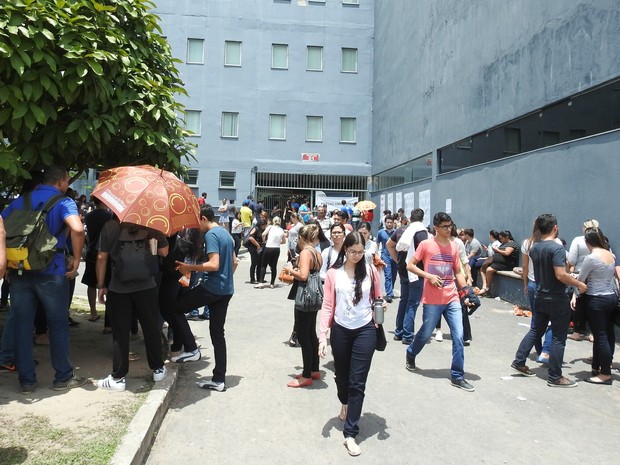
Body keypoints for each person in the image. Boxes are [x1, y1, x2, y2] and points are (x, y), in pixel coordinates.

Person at [1, 166, 87, 394]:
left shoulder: (20, 201)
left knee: (22, 323)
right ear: (60, 181)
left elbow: (1, 228)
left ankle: (26, 381)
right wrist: (77, 260)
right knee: (57, 324)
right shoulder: (63, 202)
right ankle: (63, 377)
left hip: (20, 271)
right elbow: (77, 229)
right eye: (67, 181)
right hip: (52, 271)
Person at [318, 231, 383, 457]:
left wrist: (381, 307)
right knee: (341, 377)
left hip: (365, 329)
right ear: (345, 249)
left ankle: (350, 433)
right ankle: (344, 402)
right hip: (341, 330)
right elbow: (327, 306)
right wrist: (322, 337)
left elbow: (378, 297)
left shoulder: (372, 271)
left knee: (358, 382)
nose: (357, 255)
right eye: (353, 251)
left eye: (360, 252)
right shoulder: (334, 274)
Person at [511, 213, 586, 388]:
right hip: (557, 297)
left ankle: (519, 360)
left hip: (540, 294)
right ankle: (555, 376)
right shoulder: (557, 248)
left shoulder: (535, 247)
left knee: (536, 330)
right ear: (555, 228)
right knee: (559, 337)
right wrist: (578, 284)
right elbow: (560, 275)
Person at [405, 212, 475, 392]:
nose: (449, 229)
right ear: (436, 228)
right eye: (445, 226)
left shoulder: (454, 246)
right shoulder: (426, 245)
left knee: (458, 336)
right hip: (432, 299)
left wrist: (466, 291)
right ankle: (411, 353)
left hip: (452, 297)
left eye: (450, 226)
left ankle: (457, 375)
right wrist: (428, 275)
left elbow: (458, 271)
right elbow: (410, 265)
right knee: (426, 332)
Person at [95, 221, 169, 391]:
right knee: (150, 327)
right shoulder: (151, 224)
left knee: (120, 332)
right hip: (147, 286)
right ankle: (158, 368)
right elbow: (164, 252)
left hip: (118, 287)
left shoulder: (109, 227)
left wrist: (100, 285)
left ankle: (118, 377)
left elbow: (101, 257)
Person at [174, 206, 237, 392]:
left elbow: (213, 264)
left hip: (212, 288)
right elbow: (233, 262)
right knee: (218, 334)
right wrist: (225, 280)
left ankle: (192, 349)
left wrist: (189, 267)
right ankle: (219, 379)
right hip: (226, 291)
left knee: (175, 308)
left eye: (196, 221)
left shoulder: (211, 235)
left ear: (203, 218)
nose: (196, 226)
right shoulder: (226, 234)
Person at [571, 227, 617, 384]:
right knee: (607, 333)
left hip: (596, 300)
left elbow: (581, 280)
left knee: (600, 336)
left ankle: (605, 373)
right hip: (611, 297)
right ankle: (598, 366)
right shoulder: (610, 255)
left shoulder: (591, 258)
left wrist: (574, 280)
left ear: (587, 241)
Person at [285, 224, 323, 388]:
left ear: (301, 238)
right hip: (314, 296)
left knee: (303, 335)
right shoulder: (317, 252)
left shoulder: (306, 252)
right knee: (310, 333)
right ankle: (314, 369)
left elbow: (303, 275)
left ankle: (306, 375)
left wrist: (290, 269)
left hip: (305, 297)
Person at [388, 208, 428, 344]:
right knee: (412, 303)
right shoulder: (422, 233)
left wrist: (397, 260)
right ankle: (407, 335)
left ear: (410, 218)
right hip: (416, 271)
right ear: (422, 219)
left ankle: (399, 332)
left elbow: (389, 245)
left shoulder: (400, 230)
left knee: (404, 300)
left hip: (403, 269)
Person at [521, 222, 553, 364]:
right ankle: (546, 351)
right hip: (549, 285)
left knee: (536, 319)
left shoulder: (527, 243)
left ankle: (539, 350)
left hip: (533, 282)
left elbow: (524, 266)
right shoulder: (553, 243)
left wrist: (526, 284)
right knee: (552, 319)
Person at [81, 196, 113, 323]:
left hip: (91, 251)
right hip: (106, 252)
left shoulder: (89, 216)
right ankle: (108, 322)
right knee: (109, 284)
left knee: (91, 283)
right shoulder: (109, 216)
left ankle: (93, 312)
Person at [567, 219, 599, 341]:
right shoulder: (603, 239)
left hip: (580, 275)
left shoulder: (578, 240)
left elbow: (572, 259)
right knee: (593, 304)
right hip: (596, 276)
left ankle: (578, 331)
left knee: (578, 303)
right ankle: (593, 333)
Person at [480, 230, 518, 296]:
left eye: (502, 238)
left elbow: (507, 253)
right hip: (500, 263)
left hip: (508, 264)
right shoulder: (503, 244)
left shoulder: (511, 243)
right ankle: (485, 286)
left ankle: (487, 288)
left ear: (507, 237)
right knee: (486, 269)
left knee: (488, 267)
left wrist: (497, 250)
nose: (501, 240)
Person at [255, 216, 285, 289]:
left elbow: (263, 234)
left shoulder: (270, 227)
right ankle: (272, 283)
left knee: (264, 265)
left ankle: (261, 282)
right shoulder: (281, 230)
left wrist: (264, 240)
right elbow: (284, 241)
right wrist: (278, 242)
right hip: (276, 249)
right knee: (274, 266)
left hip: (268, 247)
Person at [376, 215, 397, 303]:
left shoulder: (396, 232)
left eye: (391, 222)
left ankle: (390, 289)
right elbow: (377, 243)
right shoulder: (381, 232)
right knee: (388, 275)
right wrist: (376, 254)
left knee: (394, 275)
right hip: (385, 256)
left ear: (393, 223)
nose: (389, 224)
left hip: (395, 256)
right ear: (385, 223)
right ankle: (389, 293)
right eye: (387, 222)